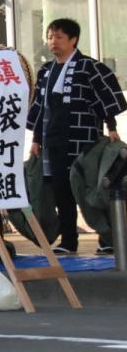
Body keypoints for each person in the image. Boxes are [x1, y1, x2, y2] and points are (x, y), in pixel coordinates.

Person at [27, 18, 127, 254]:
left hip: (85, 141)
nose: (53, 42)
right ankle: (69, 242)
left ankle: (108, 238)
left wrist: (111, 126)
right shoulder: (46, 71)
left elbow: (104, 98)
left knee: (91, 192)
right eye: (50, 37)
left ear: (74, 40)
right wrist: (36, 140)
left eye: (59, 37)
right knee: (62, 192)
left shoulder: (89, 67)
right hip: (55, 141)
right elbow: (42, 108)